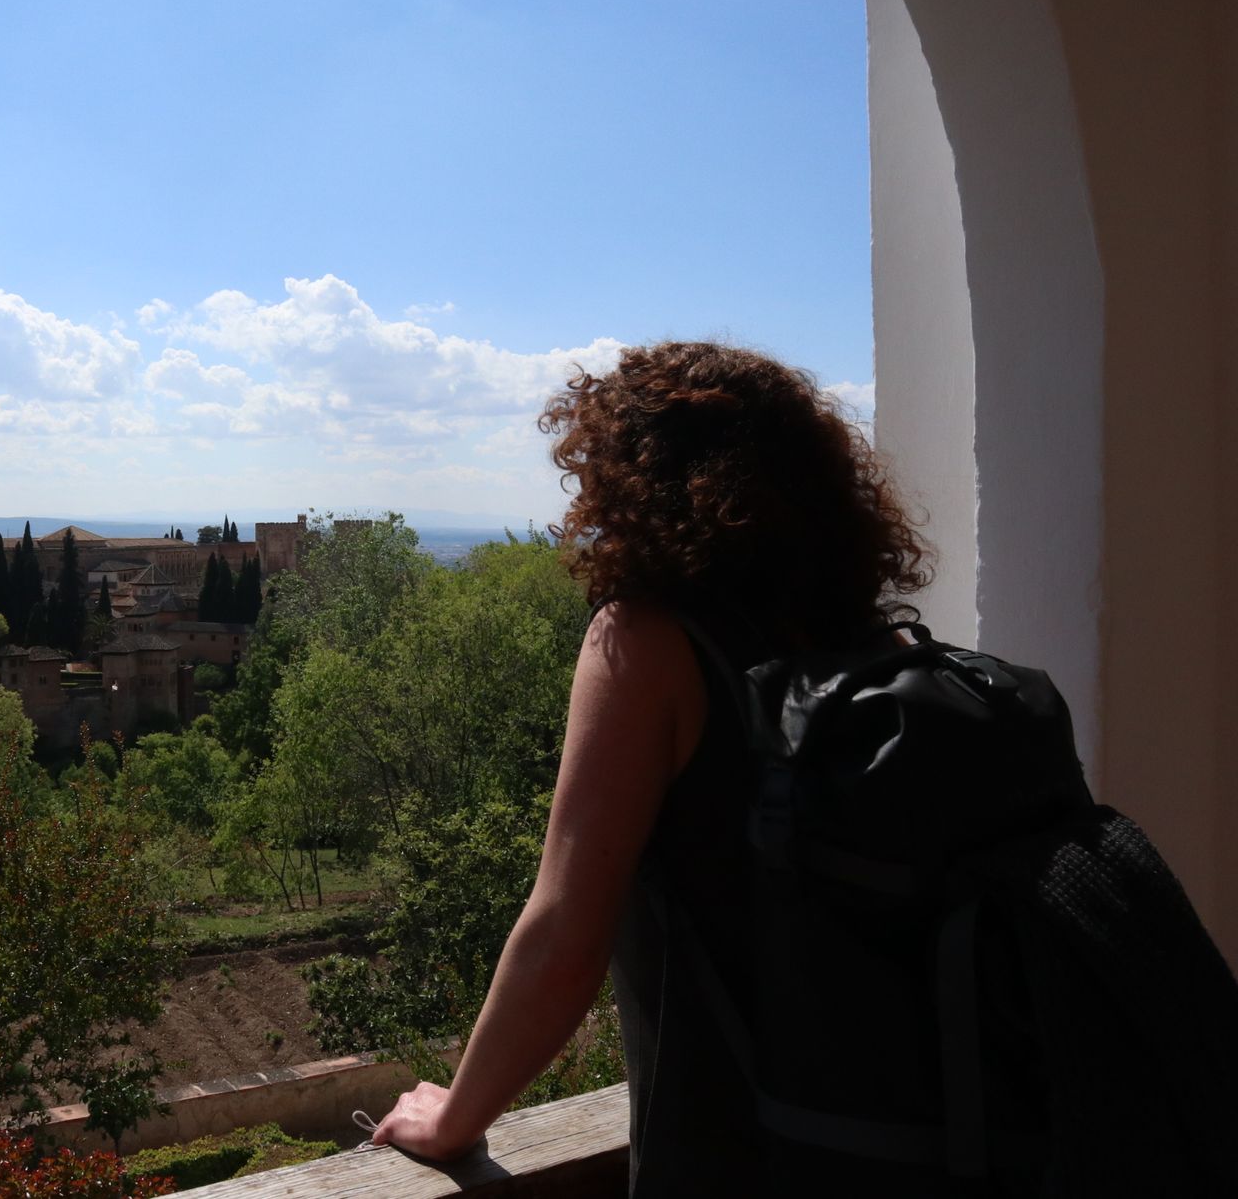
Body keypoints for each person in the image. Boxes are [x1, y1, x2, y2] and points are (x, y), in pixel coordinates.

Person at [371, 340, 931, 1193]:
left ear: (633, 482)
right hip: (908, 1136)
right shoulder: (885, 647)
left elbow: (564, 933)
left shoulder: (647, 641)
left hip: (740, 1154)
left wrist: (452, 1120)